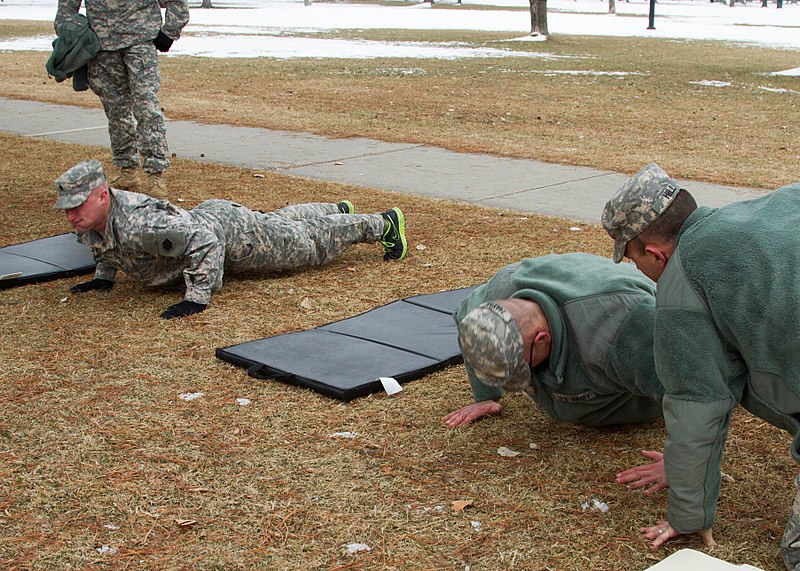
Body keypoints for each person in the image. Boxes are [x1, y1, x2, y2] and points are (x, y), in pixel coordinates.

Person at [602, 163, 800, 567]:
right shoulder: (783, 202)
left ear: (655, 253)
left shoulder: (683, 278)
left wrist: (688, 516)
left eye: (633, 260)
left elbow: (697, 400)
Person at [54, 160, 408, 319]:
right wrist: (104, 278)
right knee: (277, 224)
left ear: (103, 196)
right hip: (214, 219)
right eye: (67, 208)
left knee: (306, 245)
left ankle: (382, 224)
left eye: (77, 206)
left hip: (232, 236)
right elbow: (105, 244)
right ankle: (336, 209)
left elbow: (206, 243)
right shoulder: (91, 220)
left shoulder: (143, 224)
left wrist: (197, 297)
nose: (71, 216)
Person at [444, 253, 664, 431]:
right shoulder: (493, 300)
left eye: (520, 367)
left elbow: (689, 384)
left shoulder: (619, 329)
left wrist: (685, 464)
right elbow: (467, 324)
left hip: (633, 393)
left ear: (542, 339)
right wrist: (486, 397)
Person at [54, 0, 190, 198]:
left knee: (146, 107)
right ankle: (127, 170)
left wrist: (169, 32)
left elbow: (177, 2)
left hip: (141, 42)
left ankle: (155, 173)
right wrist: (68, 35)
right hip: (101, 46)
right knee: (116, 111)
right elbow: (67, 6)